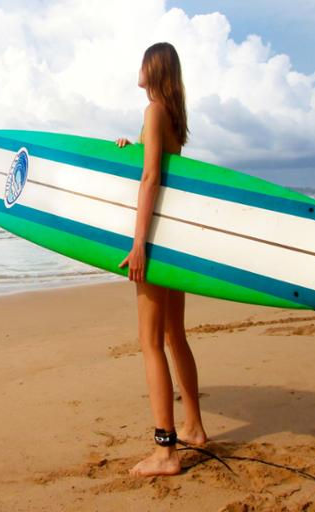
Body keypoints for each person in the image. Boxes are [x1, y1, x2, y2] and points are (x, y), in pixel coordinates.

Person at [115, 42, 208, 477]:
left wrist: (138, 244)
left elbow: (151, 177)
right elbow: (153, 164)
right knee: (175, 336)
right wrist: (128, 147)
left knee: (151, 342)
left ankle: (165, 451)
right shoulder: (171, 117)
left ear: (153, 68)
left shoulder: (154, 110)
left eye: (141, 62)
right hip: (176, 240)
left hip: (153, 240)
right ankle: (194, 428)